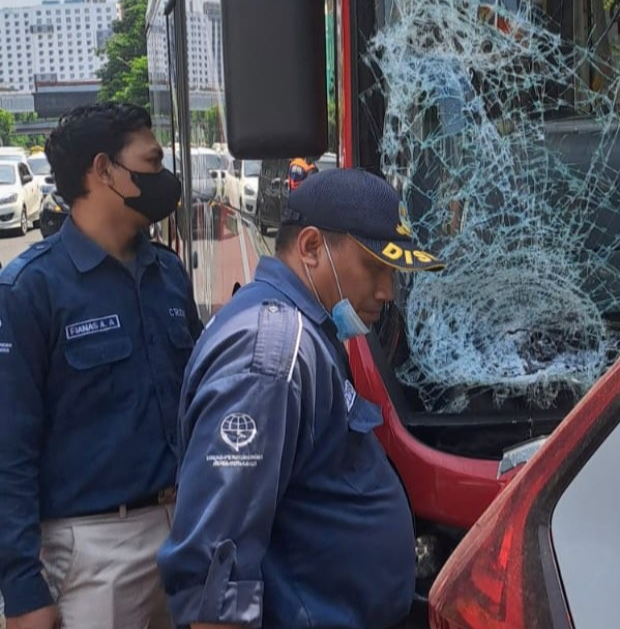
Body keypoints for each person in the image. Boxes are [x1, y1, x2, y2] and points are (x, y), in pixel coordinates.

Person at [158, 167, 443, 629]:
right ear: (311, 248)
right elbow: (218, 564)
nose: (387, 291)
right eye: (375, 267)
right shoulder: (271, 353)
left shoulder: (308, 333)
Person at [0, 103, 200, 629]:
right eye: (152, 161)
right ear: (105, 171)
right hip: (91, 554)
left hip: (185, 531)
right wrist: (21, 588)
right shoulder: (30, 291)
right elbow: (9, 449)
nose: (165, 177)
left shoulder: (169, 274)